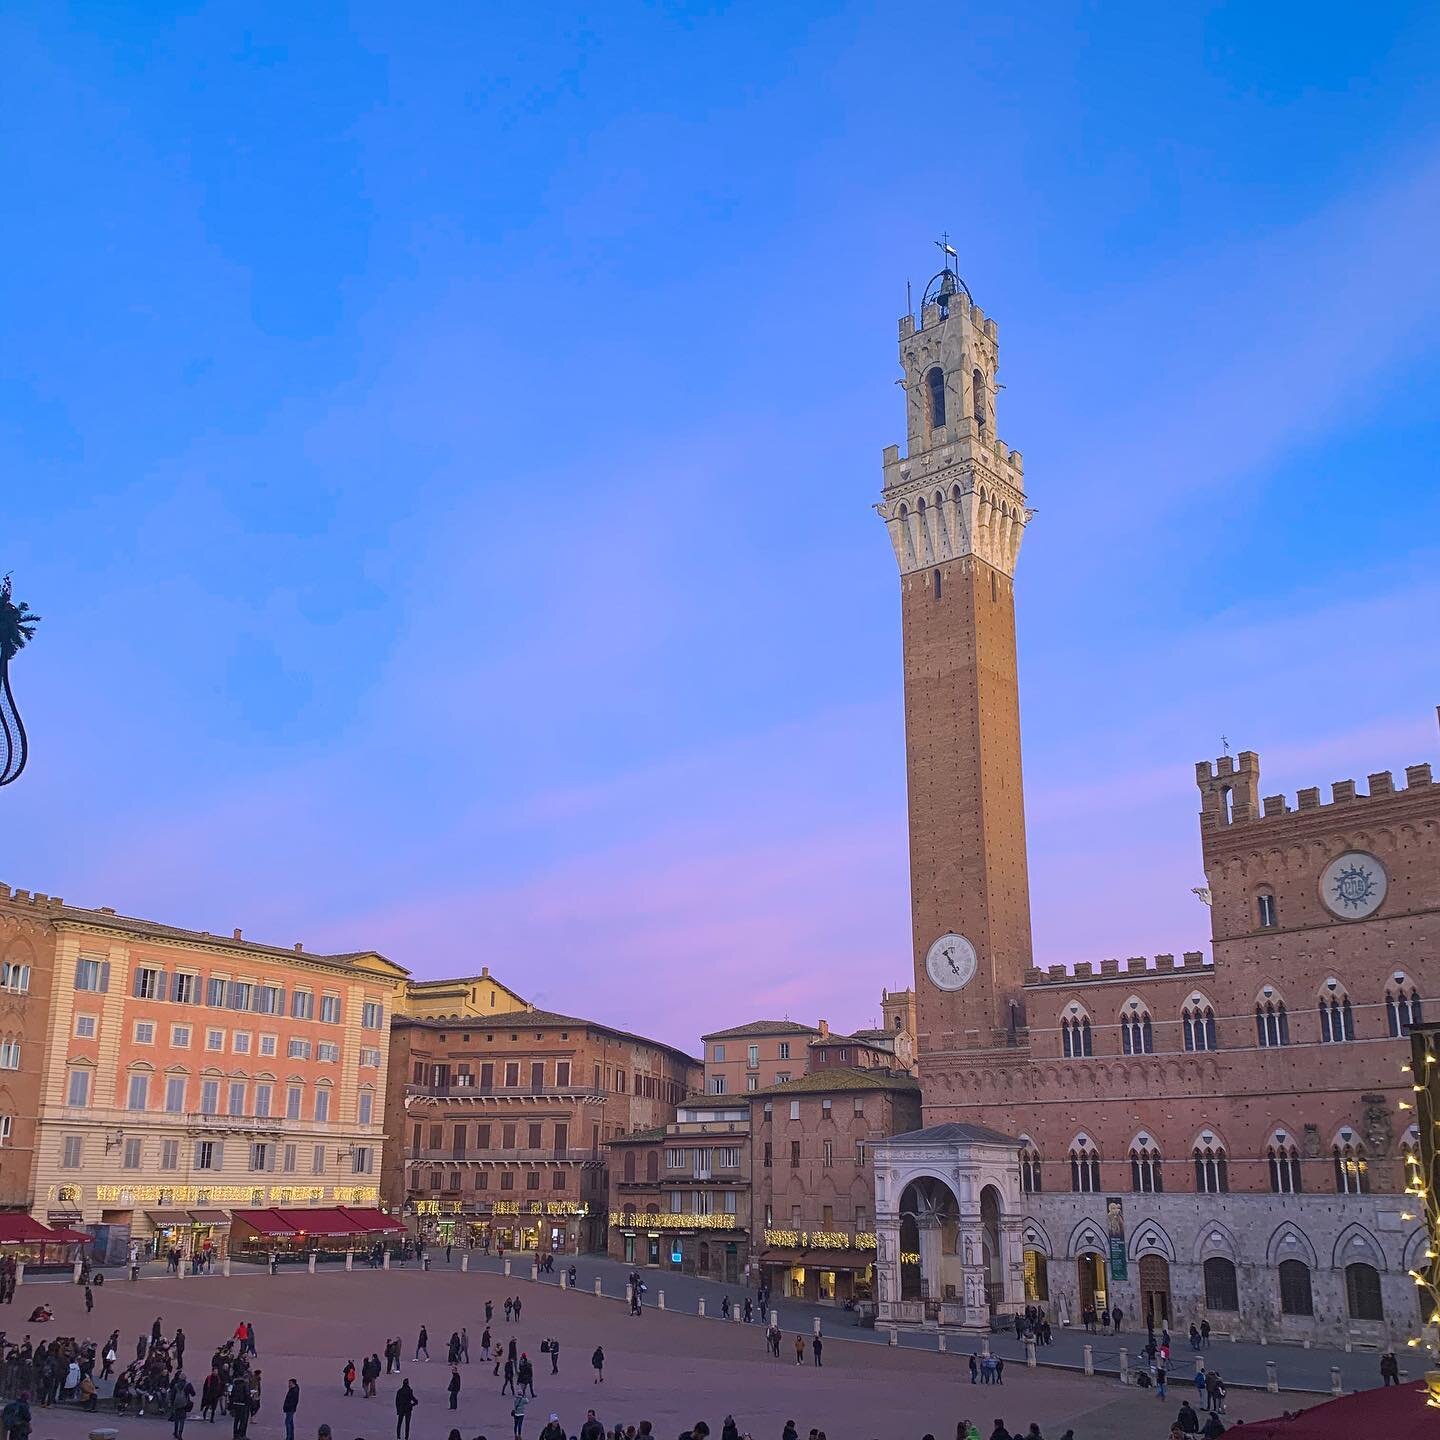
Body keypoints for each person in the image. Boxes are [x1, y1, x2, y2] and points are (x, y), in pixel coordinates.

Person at [172, 1372, 196, 1440]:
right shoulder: (188, 1385)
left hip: (176, 1404)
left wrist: (172, 1403)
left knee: (176, 1419)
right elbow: (193, 1394)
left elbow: (173, 1395)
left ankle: (175, 1432)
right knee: (182, 1419)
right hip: (184, 1404)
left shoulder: (176, 1385)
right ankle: (180, 1434)